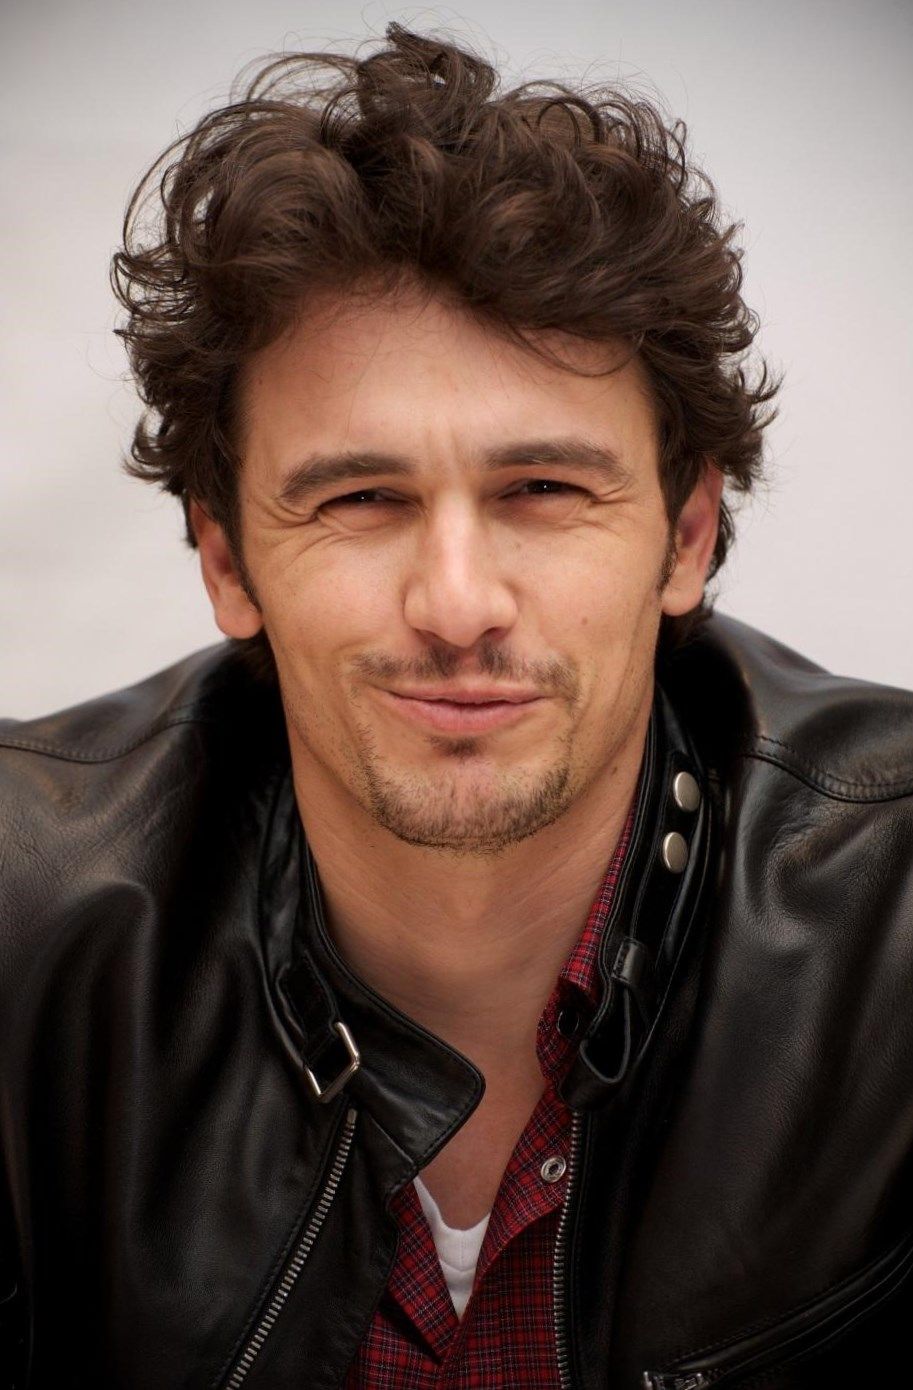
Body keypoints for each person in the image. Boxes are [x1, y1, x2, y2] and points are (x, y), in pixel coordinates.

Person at [1, 22, 911, 1390]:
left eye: (542, 490)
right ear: (227, 562)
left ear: (683, 537)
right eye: (361, 498)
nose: (457, 601)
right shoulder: (20, 928)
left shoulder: (894, 918)